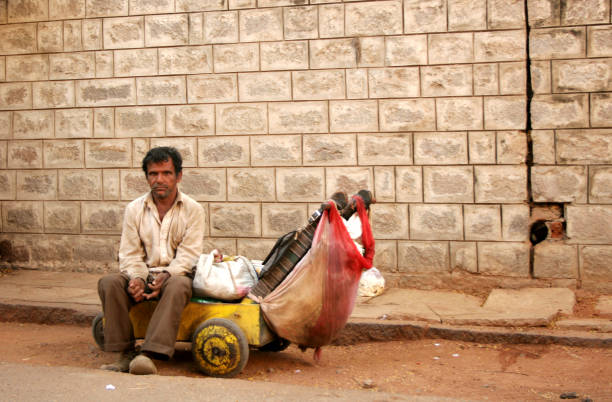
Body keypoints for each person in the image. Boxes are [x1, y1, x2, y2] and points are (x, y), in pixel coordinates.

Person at [98, 147, 205, 375]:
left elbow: (189, 254)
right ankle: (125, 353)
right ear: (147, 177)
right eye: (153, 174)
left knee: (178, 285)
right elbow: (129, 253)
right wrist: (137, 278)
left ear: (179, 176)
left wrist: (167, 275)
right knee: (109, 283)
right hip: (143, 273)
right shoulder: (134, 209)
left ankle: (149, 354)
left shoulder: (193, 210)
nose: (159, 180)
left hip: (174, 277)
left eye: (166, 173)